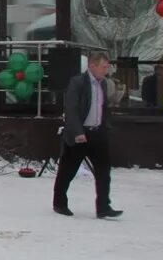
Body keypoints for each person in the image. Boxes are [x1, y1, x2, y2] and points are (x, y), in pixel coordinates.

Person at [52, 51, 122, 219]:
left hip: (97, 133)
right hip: (80, 133)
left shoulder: (103, 84)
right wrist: (77, 132)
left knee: (104, 171)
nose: (106, 70)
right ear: (92, 66)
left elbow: (103, 108)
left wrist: (107, 127)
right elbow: (71, 109)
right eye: (103, 67)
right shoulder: (78, 83)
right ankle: (59, 203)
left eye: (107, 67)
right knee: (68, 170)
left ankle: (104, 206)